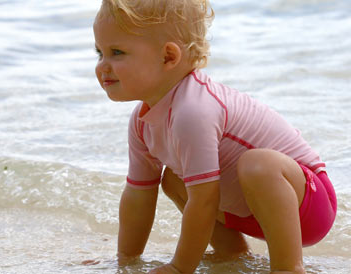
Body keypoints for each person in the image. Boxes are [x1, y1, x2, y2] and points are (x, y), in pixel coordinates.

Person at [93, 0, 337, 273]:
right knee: (174, 180)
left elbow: (205, 200)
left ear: (168, 57)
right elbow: (138, 196)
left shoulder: (193, 111)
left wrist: (180, 268)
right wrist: (126, 261)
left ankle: (288, 268)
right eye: (99, 52)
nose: (103, 65)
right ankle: (231, 254)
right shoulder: (142, 122)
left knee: (257, 164)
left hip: (309, 206)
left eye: (116, 52)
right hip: (250, 214)